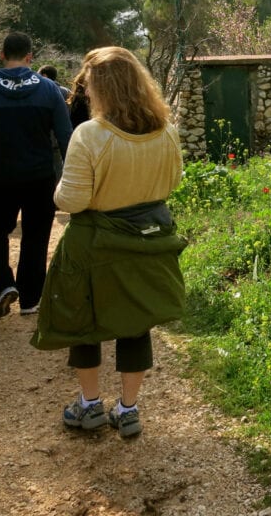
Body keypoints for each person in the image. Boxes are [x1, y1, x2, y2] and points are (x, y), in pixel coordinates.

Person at [31, 46, 185, 439]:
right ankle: (128, 410)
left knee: (85, 321)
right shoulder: (167, 131)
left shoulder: (90, 135)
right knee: (135, 323)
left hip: (96, 242)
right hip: (148, 237)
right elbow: (172, 183)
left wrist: (58, 189)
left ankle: (89, 406)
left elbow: (72, 200)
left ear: (98, 88)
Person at [0, 32, 72, 318]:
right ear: (30, 57)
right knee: (36, 235)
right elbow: (67, 136)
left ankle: (2, 286)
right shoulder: (49, 90)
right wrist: (70, 174)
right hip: (40, 177)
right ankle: (31, 298)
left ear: (1, 54)